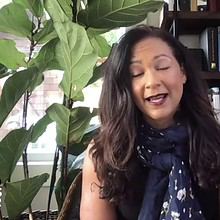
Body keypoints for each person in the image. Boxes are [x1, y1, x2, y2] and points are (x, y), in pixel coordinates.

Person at [80, 25, 220, 220]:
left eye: (162, 67)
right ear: (124, 87)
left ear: (183, 72)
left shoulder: (214, 141)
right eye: (136, 73)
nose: (152, 81)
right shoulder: (104, 154)